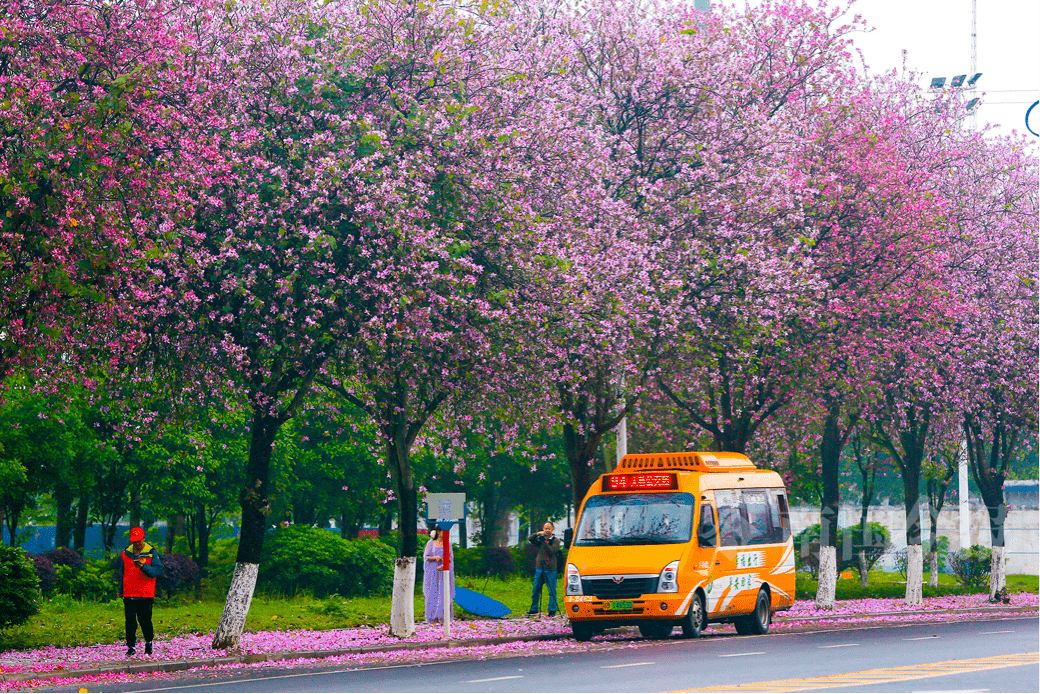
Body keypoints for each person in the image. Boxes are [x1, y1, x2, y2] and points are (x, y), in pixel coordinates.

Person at [115, 527, 164, 657]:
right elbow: (123, 573)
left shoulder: (151, 552)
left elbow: (157, 571)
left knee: (145, 621)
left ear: (144, 538)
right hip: (129, 593)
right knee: (130, 622)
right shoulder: (126, 553)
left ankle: (149, 643)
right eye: (134, 541)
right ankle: (131, 647)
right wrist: (120, 590)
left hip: (145, 594)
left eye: (138, 541)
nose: (136, 544)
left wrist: (143, 566)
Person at [527, 521, 562, 617]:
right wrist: (538, 534)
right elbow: (530, 539)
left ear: (552, 529)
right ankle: (534, 608)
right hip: (540, 568)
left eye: (549, 528)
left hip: (551, 569)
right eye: (545, 528)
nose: (547, 530)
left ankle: (552, 610)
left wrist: (545, 542)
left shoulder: (555, 541)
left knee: (552, 591)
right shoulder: (540, 539)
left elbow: (551, 551)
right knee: (536, 589)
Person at [422, 527, 455, 623]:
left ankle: (444, 616)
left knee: (444, 592)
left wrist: (445, 561)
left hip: (443, 571)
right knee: (432, 592)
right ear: (439, 532)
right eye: (444, 532)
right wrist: (435, 557)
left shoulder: (448, 544)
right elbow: (426, 557)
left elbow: (450, 558)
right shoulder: (431, 543)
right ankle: (433, 617)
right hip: (432, 571)